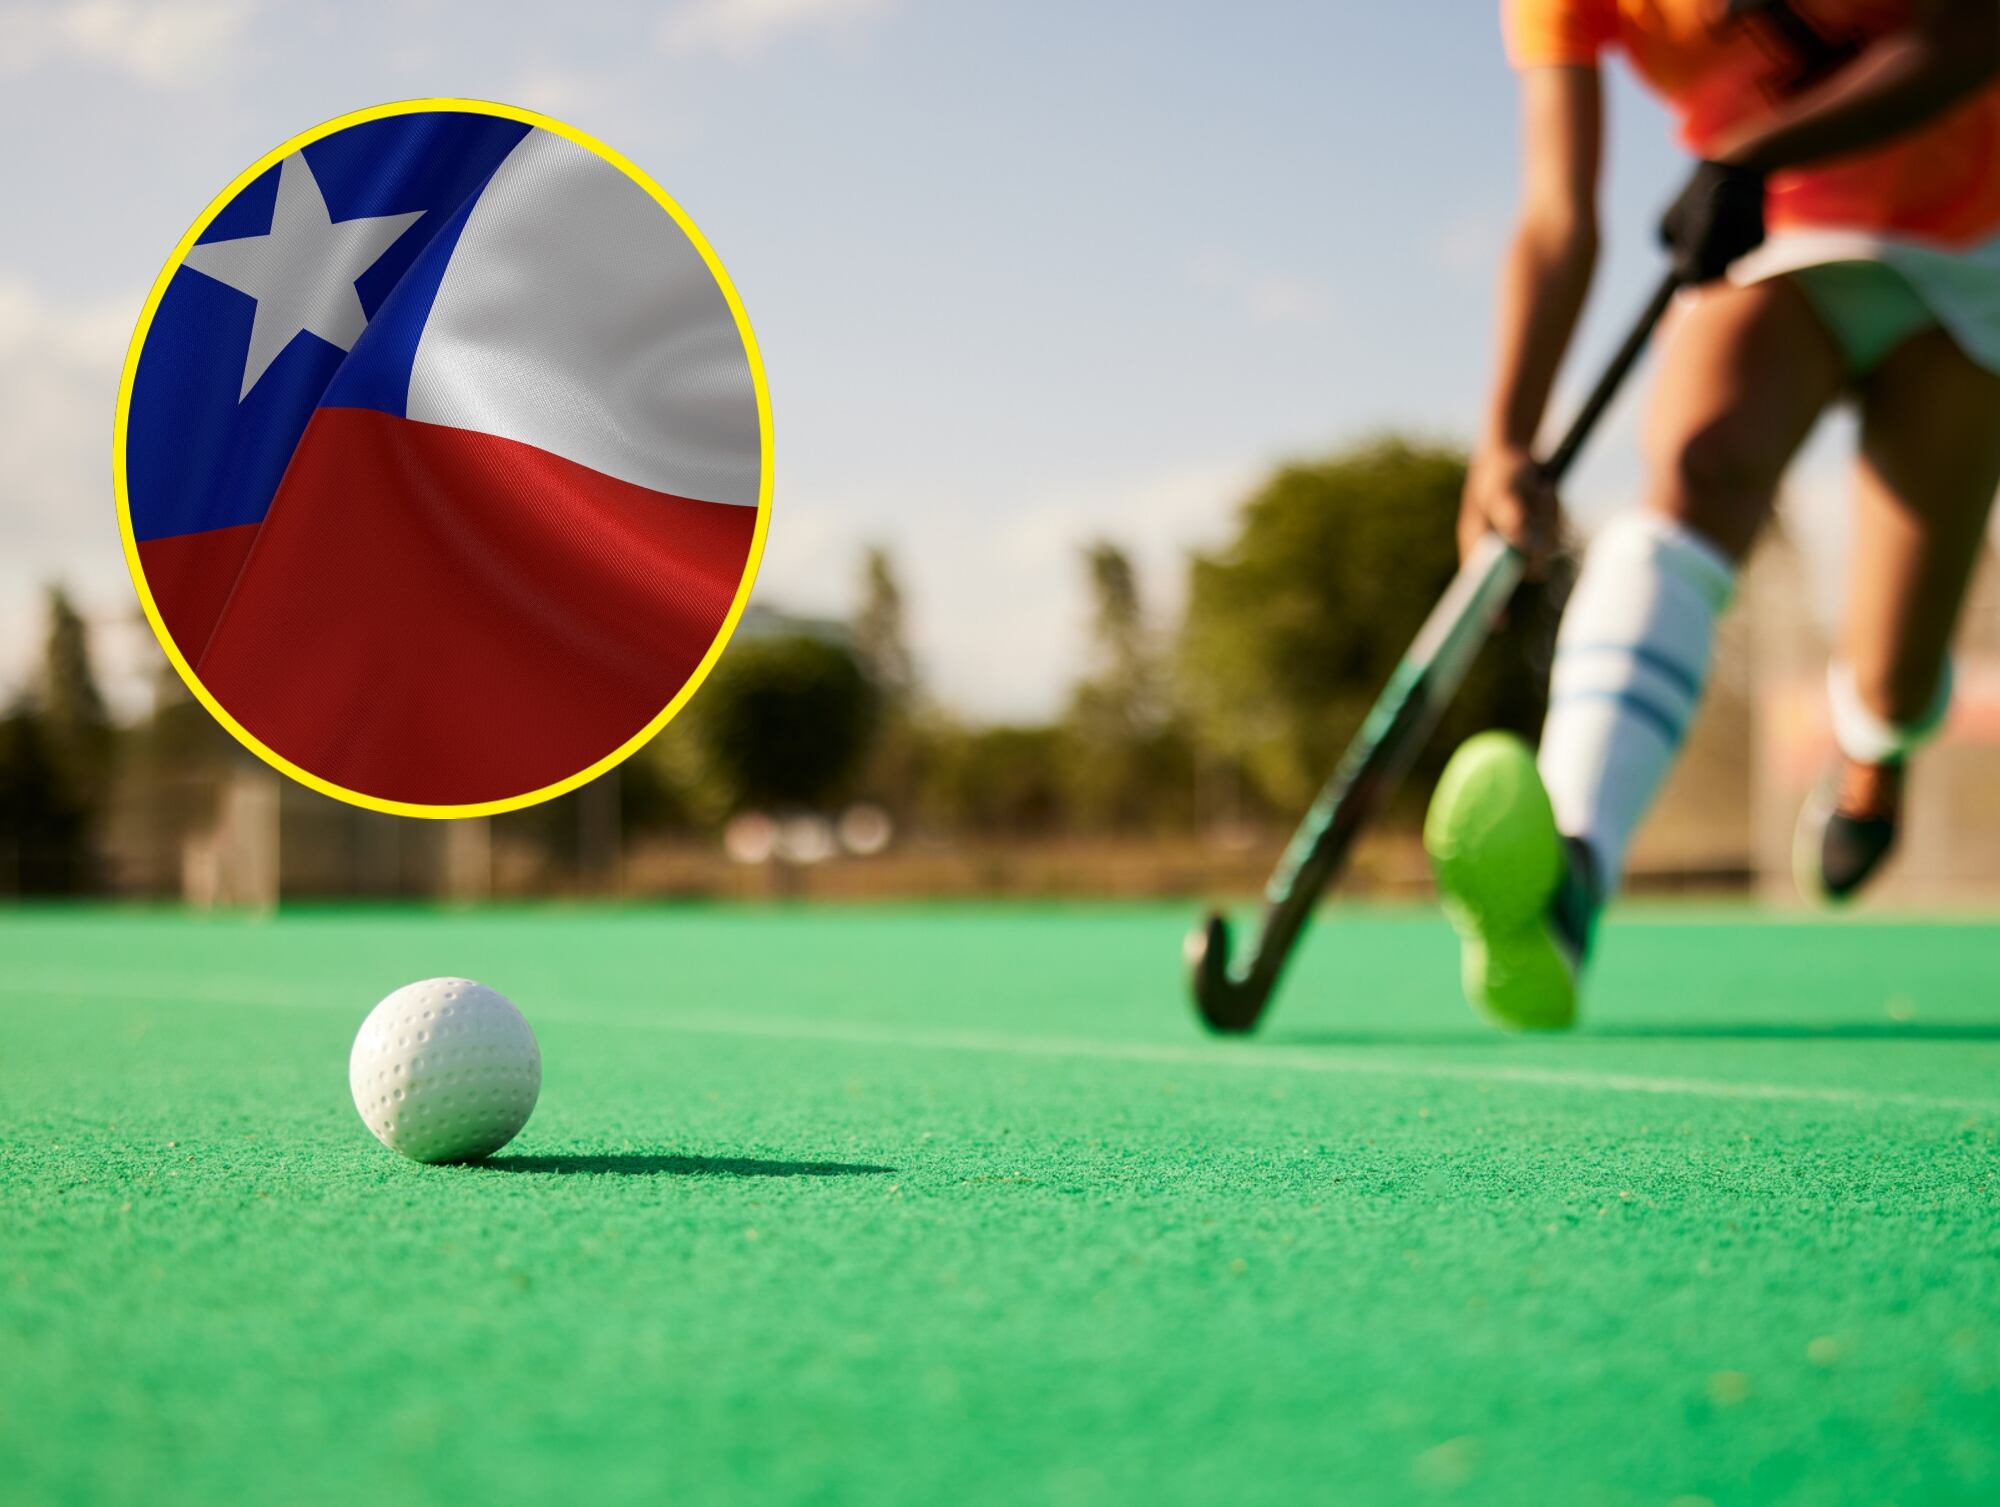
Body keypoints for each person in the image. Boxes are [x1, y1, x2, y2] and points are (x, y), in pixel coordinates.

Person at [1425, 0, 2000, 1029]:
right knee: (1698, 468)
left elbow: (1971, 33)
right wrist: (1505, 438)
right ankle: (1565, 875)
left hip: (1973, 234)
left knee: (1891, 676)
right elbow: (1558, 212)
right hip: (1779, 222)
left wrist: (1754, 151)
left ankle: (1871, 757)